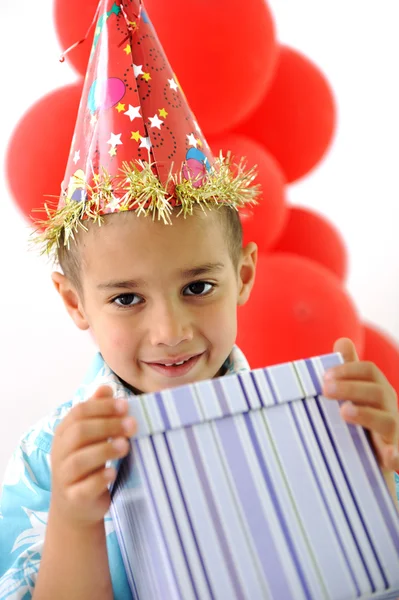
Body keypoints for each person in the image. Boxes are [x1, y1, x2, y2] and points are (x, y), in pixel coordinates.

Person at [1, 0, 398, 598]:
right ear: (75, 301)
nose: (171, 330)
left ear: (243, 274)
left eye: (198, 287)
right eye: (127, 299)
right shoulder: (49, 461)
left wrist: (381, 470)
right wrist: (75, 519)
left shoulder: (309, 424)